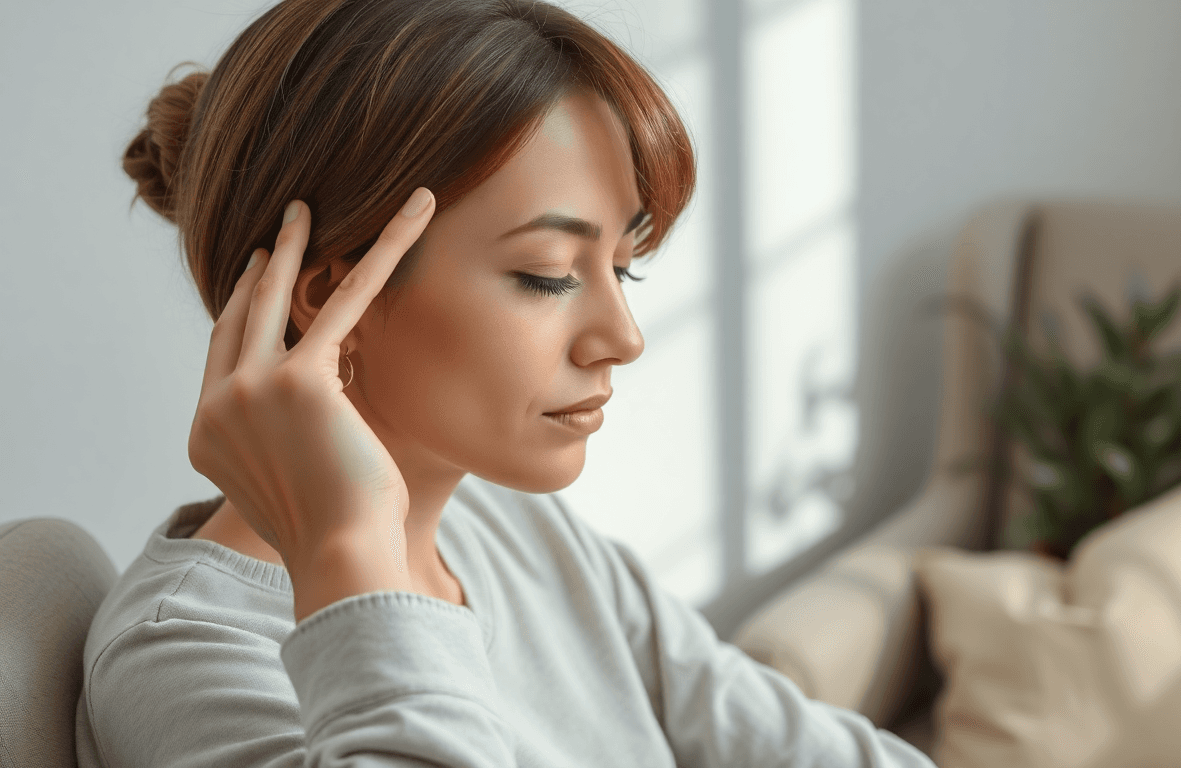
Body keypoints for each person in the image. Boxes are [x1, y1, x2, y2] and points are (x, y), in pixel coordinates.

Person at [74, 0, 938, 765]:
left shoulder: (512, 527)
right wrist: (346, 544)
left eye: (624, 268)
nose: (623, 338)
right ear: (334, 294)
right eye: (549, 274)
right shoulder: (183, 658)